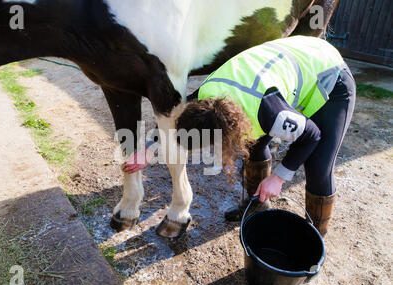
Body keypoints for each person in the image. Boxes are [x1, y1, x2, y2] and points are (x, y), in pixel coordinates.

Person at [124, 35, 356, 237]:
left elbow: (311, 136)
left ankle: (313, 237)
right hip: (288, 62)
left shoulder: (271, 113)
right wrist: (148, 149)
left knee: (319, 165)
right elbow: (174, 121)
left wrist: (279, 177)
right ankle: (257, 206)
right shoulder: (206, 95)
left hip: (330, 77)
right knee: (253, 145)